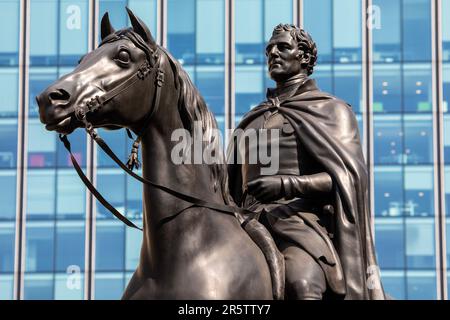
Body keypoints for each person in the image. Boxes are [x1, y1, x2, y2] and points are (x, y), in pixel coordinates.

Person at [227, 24, 385, 300]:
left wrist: (286, 185)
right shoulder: (251, 119)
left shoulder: (330, 109)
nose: (273, 53)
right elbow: (226, 186)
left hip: (298, 223)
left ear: (305, 57)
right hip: (244, 225)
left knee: (301, 283)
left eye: (283, 47)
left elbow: (348, 177)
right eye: (269, 50)